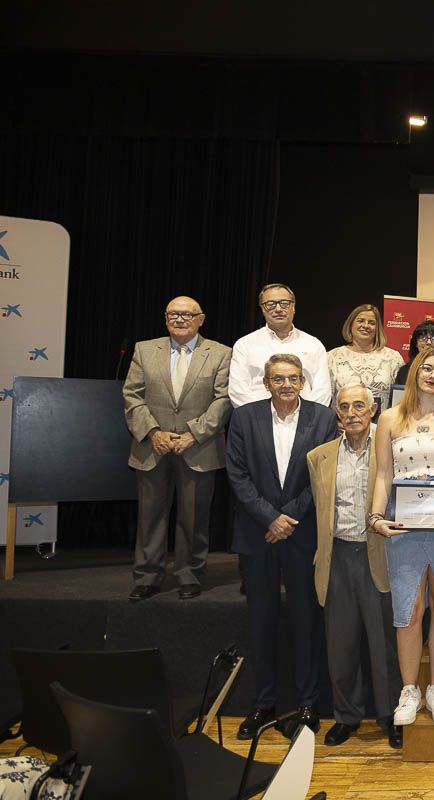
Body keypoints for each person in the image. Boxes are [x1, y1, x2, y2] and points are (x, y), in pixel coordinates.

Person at [227, 354, 339, 739]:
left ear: (304, 382)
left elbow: (324, 475)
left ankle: (308, 705)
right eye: (278, 379)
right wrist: (268, 518)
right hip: (258, 534)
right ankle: (263, 705)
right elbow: (237, 474)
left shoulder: (324, 419)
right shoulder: (243, 418)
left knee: (305, 620)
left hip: (302, 532)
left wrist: (287, 517)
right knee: (261, 621)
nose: (286, 385)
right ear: (266, 383)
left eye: (293, 378)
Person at [368, 347, 434, 726]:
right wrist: (377, 516)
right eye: (427, 368)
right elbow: (383, 473)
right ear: (414, 371)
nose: (432, 376)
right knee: (410, 610)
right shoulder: (389, 418)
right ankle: (410, 690)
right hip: (405, 524)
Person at [306, 385, 401, 749]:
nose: (352, 413)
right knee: (340, 645)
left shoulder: (390, 449)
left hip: (380, 554)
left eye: (359, 405)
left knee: (384, 645)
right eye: (344, 406)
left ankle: (391, 715)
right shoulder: (319, 457)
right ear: (335, 412)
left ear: (374, 408)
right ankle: (346, 717)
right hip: (338, 557)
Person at [123, 296, 232, 601]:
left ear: (201, 319)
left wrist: (193, 434)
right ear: (165, 318)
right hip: (152, 447)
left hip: (198, 448)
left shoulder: (221, 353)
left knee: (194, 517)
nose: (180, 319)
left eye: (187, 314)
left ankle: (190, 575)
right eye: (173, 314)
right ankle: (146, 577)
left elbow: (223, 400)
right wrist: (153, 432)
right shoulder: (145, 350)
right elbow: (132, 395)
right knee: (150, 516)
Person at [229, 283, 331, 407]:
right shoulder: (245, 345)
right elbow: (238, 391)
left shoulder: (313, 344)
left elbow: (322, 391)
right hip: (257, 420)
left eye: (284, 303)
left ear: (293, 307)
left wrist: (307, 418)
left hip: (307, 421)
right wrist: (261, 416)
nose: (278, 309)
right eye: (270, 304)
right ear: (262, 309)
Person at [326, 304, 404, 410]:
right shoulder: (332, 357)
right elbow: (325, 398)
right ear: (351, 324)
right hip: (342, 425)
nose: (366, 326)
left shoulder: (393, 358)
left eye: (371, 323)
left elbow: (402, 398)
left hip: (382, 425)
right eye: (361, 321)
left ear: (377, 328)